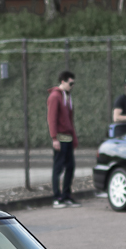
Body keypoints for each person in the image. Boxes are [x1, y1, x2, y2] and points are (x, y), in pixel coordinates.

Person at [47, 71, 80, 208]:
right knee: (58, 168)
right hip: (60, 138)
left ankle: (66, 195)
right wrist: (54, 138)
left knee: (70, 166)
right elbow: (52, 118)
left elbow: (69, 119)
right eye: (70, 83)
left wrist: (74, 138)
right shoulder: (55, 96)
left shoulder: (67, 96)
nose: (72, 86)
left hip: (68, 138)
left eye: (73, 84)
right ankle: (57, 197)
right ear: (63, 82)